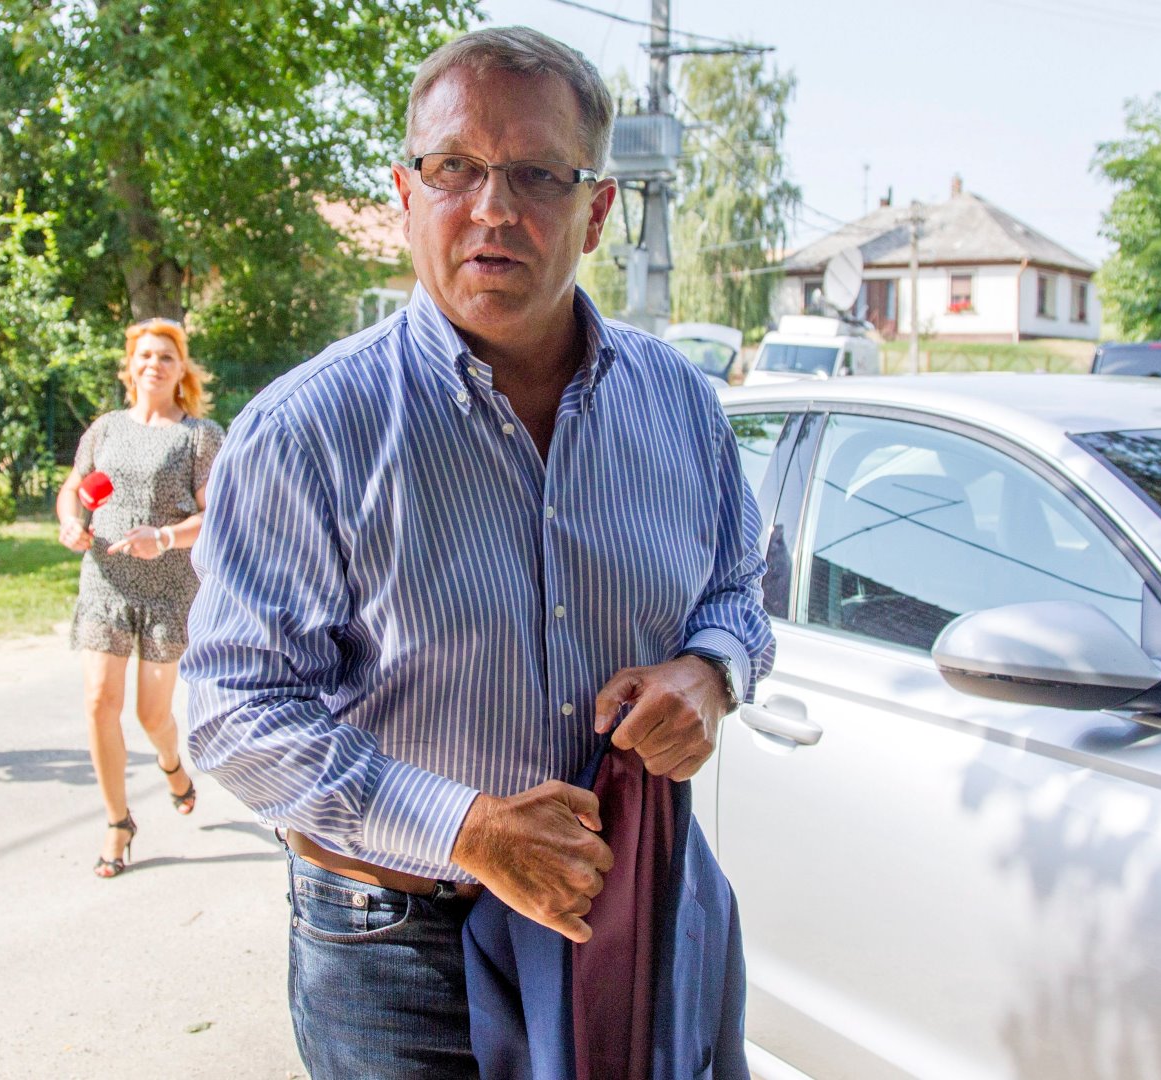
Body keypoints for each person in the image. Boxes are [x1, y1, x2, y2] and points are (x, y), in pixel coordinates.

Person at [180, 27, 775, 1077]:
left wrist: (710, 671)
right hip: (396, 949)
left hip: (618, 922)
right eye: (455, 167)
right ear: (406, 194)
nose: (493, 208)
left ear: (597, 210)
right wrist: (465, 829)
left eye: (538, 174)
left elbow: (737, 587)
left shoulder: (680, 404)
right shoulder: (309, 431)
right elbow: (232, 708)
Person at [57, 317, 223, 878]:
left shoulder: (199, 436)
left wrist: (166, 537)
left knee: (152, 715)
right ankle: (117, 821)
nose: (154, 364)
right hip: (105, 581)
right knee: (98, 703)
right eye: (145, 355)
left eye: (166, 357)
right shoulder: (105, 429)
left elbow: (218, 516)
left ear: (181, 371)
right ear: (130, 366)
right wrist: (69, 522)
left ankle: (171, 763)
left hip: (168, 591)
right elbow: (74, 488)